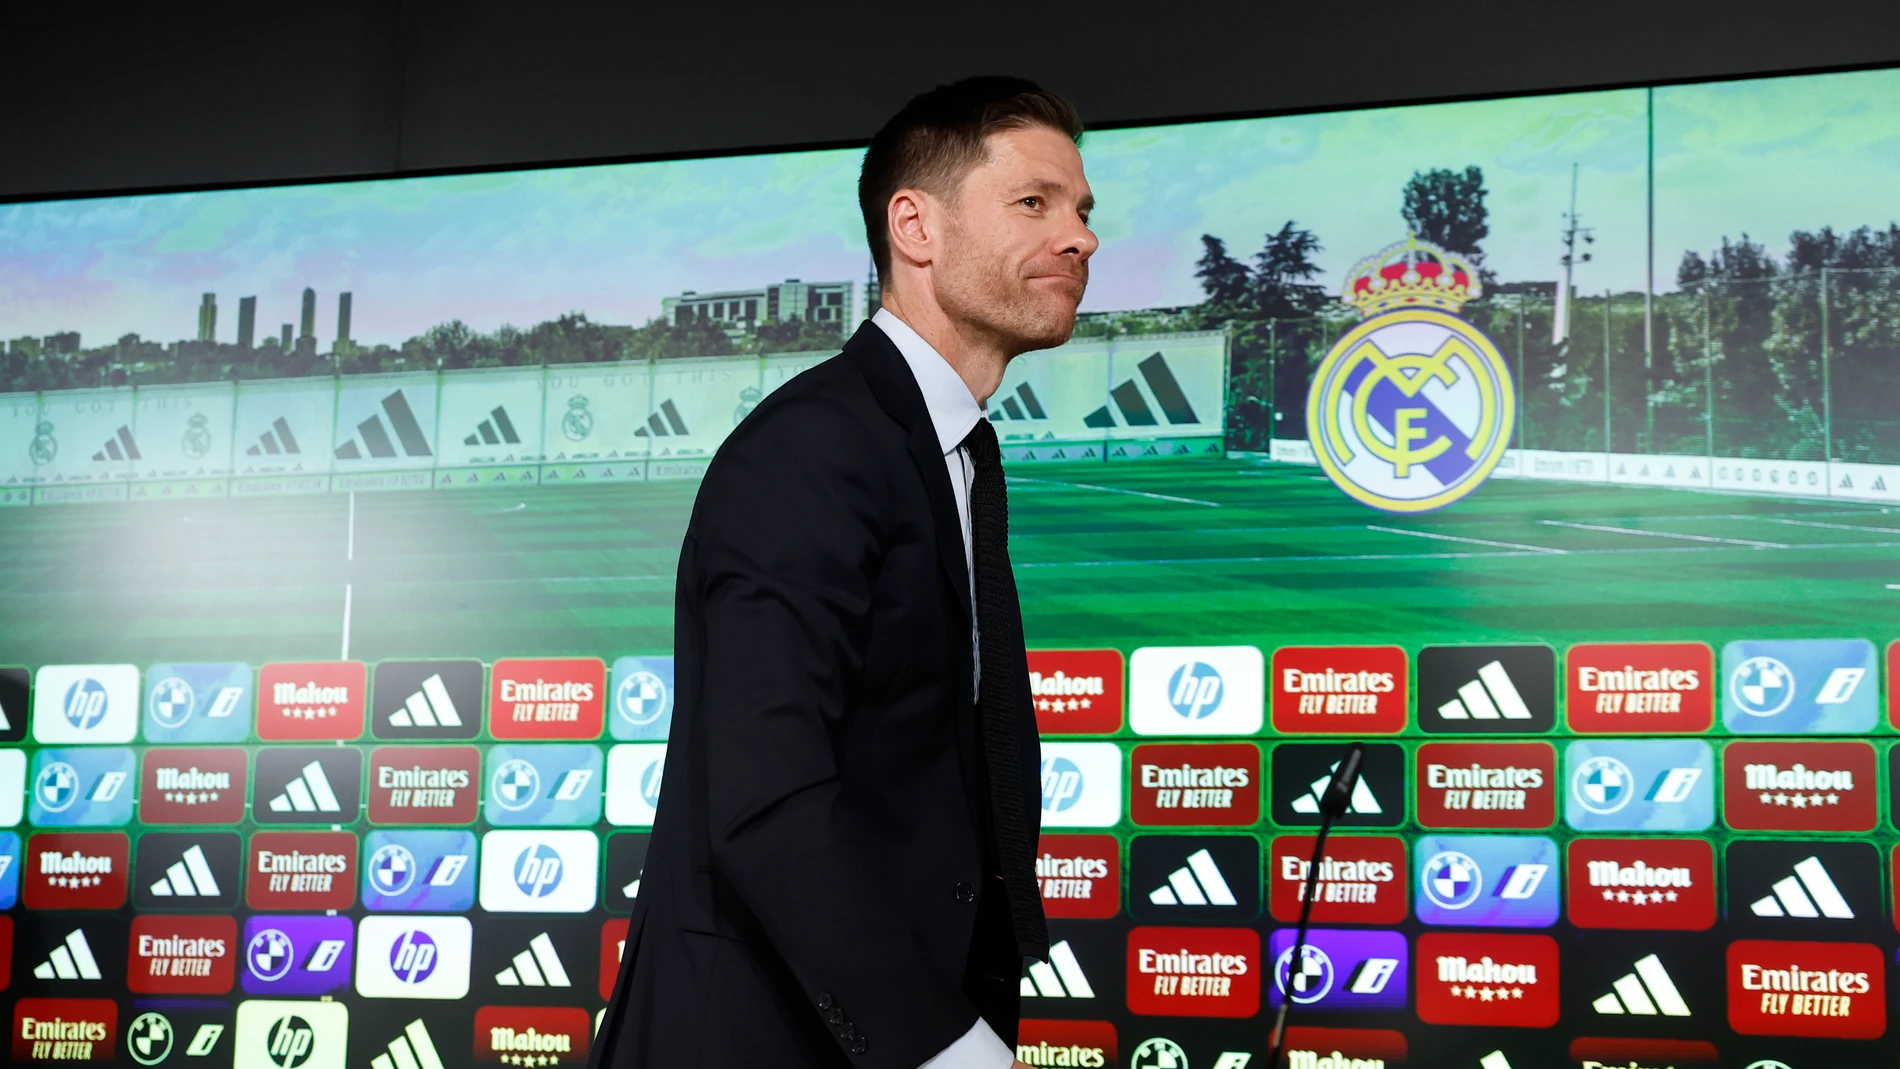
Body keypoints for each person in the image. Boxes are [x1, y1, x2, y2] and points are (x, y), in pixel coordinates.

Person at [587, 76, 1097, 1069]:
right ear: (916, 226)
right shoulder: (813, 449)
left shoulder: (953, 451)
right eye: (1034, 203)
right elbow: (767, 803)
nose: (1078, 237)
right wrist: (947, 1049)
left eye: (1081, 211)